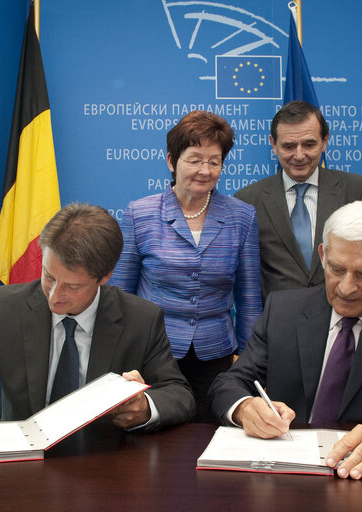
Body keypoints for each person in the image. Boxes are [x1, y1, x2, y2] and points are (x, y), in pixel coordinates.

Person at [209, 201, 362, 480]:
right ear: (323, 256)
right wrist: (244, 408)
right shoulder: (283, 309)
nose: (347, 287)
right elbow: (230, 383)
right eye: (337, 269)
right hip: (287, 473)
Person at [0, 204, 195, 432]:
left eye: (72, 286)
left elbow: (179, 394)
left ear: (104, 277)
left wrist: (145, 407)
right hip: (23, 467)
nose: (55, 296)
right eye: (48, 277)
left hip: (105, 466)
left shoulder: (140, 319)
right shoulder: (7, 306)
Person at [109, 111, 263, 423]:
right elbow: (120, 294)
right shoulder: (140, 214)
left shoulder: (242, 216)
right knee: (155, 435)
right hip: (153, 353)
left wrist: (246, 359)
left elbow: (249, 298)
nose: (205, 171)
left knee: (210, 435)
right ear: (171, 161)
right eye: (194, 159)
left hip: (217, 356)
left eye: (214, 161)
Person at [235, 100, 362, 300]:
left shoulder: (355, 190)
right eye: (289, 146)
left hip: (343, 316)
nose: (299, 155)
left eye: (309, 144)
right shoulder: (249, 200)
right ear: (273, 145)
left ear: (325, 141)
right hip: (279, 322)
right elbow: (247, 279)